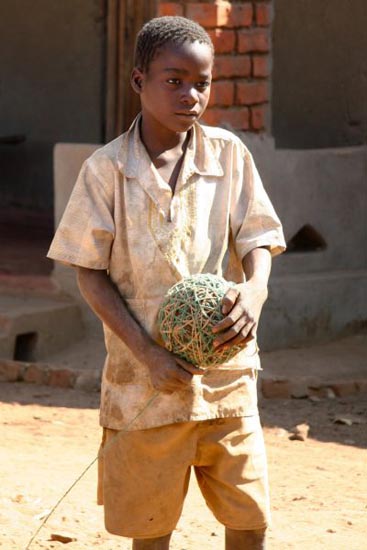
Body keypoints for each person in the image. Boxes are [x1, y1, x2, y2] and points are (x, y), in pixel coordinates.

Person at [48, 15, 286, 550]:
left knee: (250, 519)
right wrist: (148, 353)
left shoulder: (229, 155)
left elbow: (257, 238)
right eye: (173, 80)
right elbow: (89, 269)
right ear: (139, 81)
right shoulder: (106, 170)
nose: (190, 95)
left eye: (201, 83)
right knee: (150, 529)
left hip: (225, 373)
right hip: (143, 383)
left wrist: (255, 290)